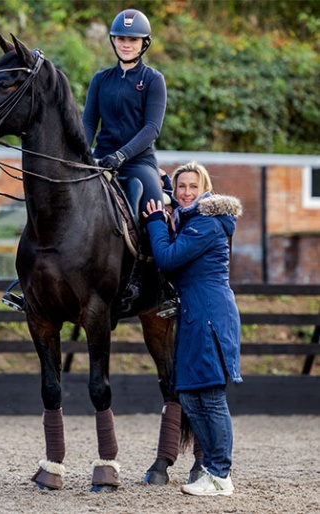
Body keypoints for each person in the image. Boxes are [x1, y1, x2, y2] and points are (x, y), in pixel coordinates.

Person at [142, 161, 243, 496]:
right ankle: (212, 471)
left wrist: (156, 221)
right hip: (192, 315)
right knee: (187, 393)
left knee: (211, 396)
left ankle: (220, 474)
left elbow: (168, 258)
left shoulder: (208, 222)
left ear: (205, 191)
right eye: (181, 186)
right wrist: (165, 185)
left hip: (210, 314)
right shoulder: (192, 216)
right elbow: (181, 208)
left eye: (192, 187)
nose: (185, 193)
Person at [81, 8, 168, 314]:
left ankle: (161, 285)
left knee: (154, 209)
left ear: (144, 43)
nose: (126, 44)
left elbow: (151, 129)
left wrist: (122, 155)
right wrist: (82, 154)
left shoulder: (153, 80)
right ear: (113, 41)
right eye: (121, 38)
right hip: (100, 160)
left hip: (137, 163)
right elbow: (89, 124)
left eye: (133, 39)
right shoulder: (100, 80)